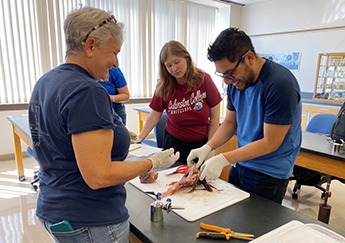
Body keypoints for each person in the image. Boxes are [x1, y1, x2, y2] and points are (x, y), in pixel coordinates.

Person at [28, 7, 179, 243]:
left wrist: (116, 134)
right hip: (90, 218)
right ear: (90, 46)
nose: (116, 62)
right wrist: (151, 162)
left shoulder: (46, 81)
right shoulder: (87, 90)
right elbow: (98, 176)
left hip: (54, 207)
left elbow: (64, 141)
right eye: (114, 52)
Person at [187, 27, 302, 204]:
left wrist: (223, 159)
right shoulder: (236, 83)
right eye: (222, 75)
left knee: (257, 229)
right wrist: (208, 147)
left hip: (269, 174)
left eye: (229, 74)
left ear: (248, 58)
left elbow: (271, 142)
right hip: (242, 163)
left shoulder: (279, 84)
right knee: (232, 219)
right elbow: (230, 123)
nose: (226, 81)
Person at [135, 40, 222, 166]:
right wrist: (140, 138)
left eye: (177, 62)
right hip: (174, 144)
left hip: (201, 144)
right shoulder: (164, 86)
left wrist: (209, 147)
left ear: (186, 58)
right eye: (169, 65)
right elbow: (154, 115)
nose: (174, 69)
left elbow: (215, 117)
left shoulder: (203, 79)